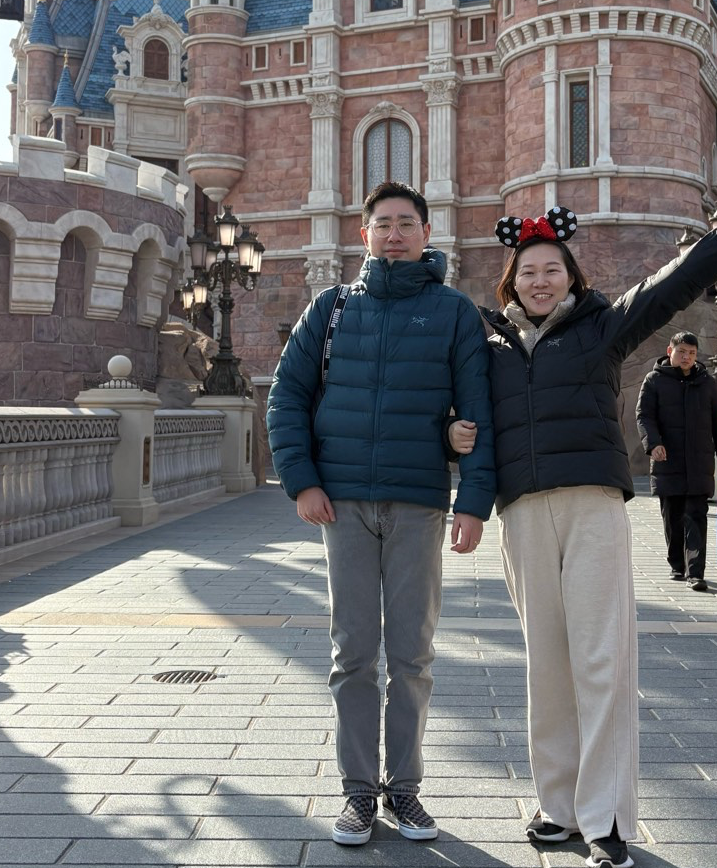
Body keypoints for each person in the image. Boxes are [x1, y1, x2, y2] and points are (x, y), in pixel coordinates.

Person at [449, 178, 717, 868]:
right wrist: (449, 436)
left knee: (601, 660)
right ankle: (558, 804)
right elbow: (457, 418)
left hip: (594, 506)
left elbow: (676, 281)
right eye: (529, 274)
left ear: (572, 276)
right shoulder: (491, 349)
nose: (541, 283)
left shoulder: (603, 326)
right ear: (511, 283)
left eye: (553, 271)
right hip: (523, 513)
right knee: (546, 663)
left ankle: (604, 818)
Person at [267, 181, 496, 847]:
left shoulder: (453, 312)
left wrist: (473, 503)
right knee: (352, 654)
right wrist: (301, 483)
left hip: (419, 505)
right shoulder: (331, 309)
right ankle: (359, 794)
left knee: (414, 655)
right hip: (341, 505)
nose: (394, 234)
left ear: (427, 234)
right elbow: (286, 396)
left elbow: (475, 411)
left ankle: (407, 790)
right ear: (363, 235)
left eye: (406, 223)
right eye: (382, 224)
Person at [636, 332, 717, 593]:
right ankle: (676, 563)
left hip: (699, 462)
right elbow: (644, 416)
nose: (687, 357)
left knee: (696, 516)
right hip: (667, 461)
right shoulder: (654, 380)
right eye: (682, 351)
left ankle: (696, 572)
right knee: (672, 518)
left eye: (692, 353)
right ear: (669, 350)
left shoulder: (706, 382)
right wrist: (654, 443)